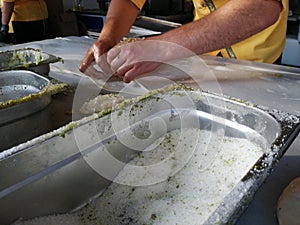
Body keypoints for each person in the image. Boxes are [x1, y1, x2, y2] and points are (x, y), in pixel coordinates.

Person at [80, 0, 288, 83]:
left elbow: (261, 7)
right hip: (200, 56)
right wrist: (108, 37)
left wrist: (160, 47)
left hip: (258, 64)